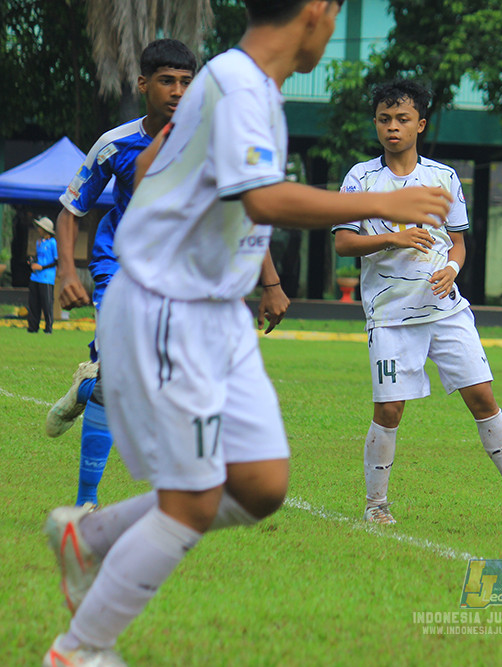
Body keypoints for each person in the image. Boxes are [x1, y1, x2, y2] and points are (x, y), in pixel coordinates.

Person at [42, 3, 452, 664]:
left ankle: (87, 540)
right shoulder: (235, 82)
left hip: (216, 313)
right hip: (168, 307)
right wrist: (382, 200)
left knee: (259, 485)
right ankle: (79, 649)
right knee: (194, 501)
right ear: (317, 10)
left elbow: (151, 168)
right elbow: (261, 196)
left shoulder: (244, 86)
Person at [334, 78, 502, 527]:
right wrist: (394, 237)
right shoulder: (360, 178)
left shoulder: (443, 177)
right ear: (375, 123)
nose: (393, 127)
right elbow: (343, 243)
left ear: (421, 124)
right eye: (384, 119)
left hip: (447, 311)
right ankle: (377, 506)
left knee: (482, 397)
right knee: (390, 409)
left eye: (402, 119)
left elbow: (458, 244)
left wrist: (452, 268)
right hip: (390, 316)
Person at [43, 40, 227, 511]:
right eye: (167, 80)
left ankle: (87, 383)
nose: (179, 91)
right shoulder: (115, 144)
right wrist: (66, 268)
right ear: (143, 84)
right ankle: (86, 504)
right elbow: (70, 209)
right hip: (120, 267)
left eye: (188, 82)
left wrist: (268, 281)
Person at [27, 216, 58, 334]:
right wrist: (32, 261)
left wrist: (42, 267)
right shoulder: (38, 242)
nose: (38, 229)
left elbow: (56, 261)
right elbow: (38, 256)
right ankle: (33, 327)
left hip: (47, 278)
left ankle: (48, 328)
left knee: (47, 303)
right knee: (34, 303)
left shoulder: (53, 243)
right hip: (35, 277)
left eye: (40, 227)